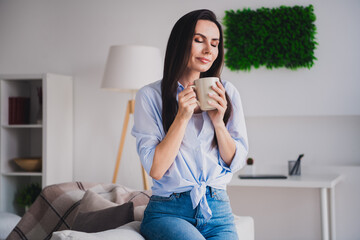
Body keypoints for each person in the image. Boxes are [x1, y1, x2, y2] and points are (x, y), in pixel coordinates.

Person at [131, 9, 248, 240]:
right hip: (168, 212)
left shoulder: (228, 92)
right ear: (180, 42)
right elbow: (156, 169)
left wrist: (218, 122)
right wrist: (182, 117)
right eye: (198, 40)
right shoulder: (150, 96)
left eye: (214, 44)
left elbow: (235, 162)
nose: (208, 50)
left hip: (218, 210)